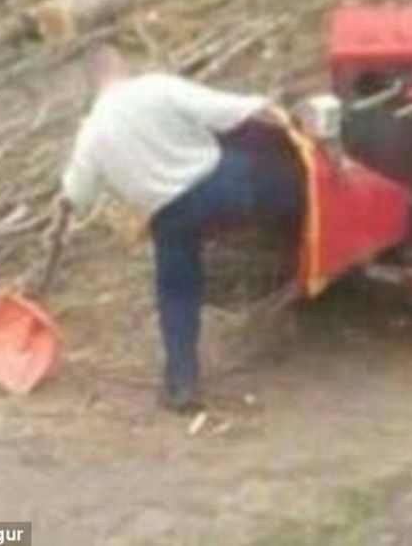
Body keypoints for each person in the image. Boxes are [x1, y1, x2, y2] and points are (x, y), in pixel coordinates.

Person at [56, 45, 303, 413]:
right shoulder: (154, 88)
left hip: (172, 215)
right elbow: (221, 110)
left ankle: (181, 383)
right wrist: (270, 109)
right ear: (121, 65)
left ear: (90, 83)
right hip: (220, 185)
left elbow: (78, 194)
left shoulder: (90, 134)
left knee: (175, 291)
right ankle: (310, 236)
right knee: (285, 181)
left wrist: (65, 201)